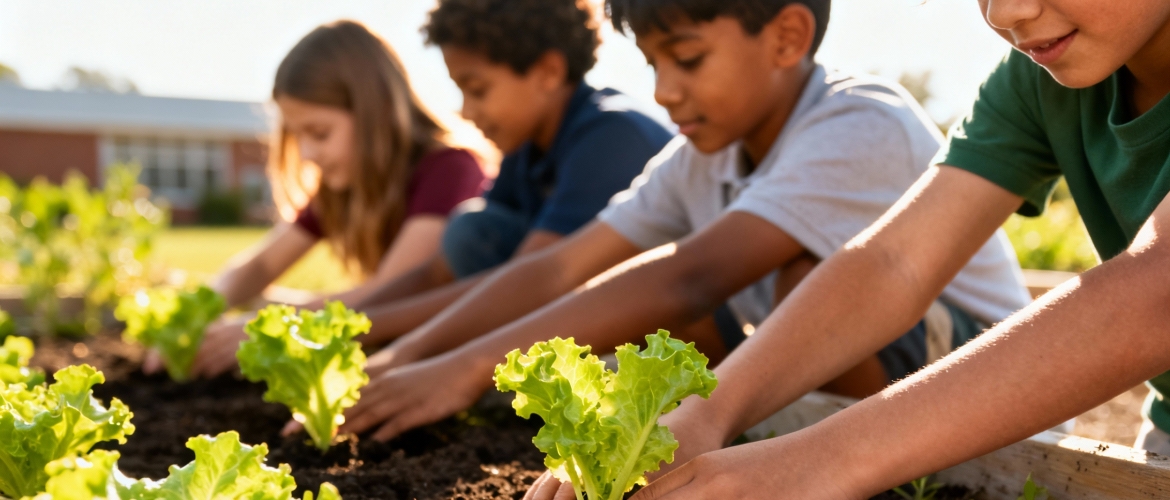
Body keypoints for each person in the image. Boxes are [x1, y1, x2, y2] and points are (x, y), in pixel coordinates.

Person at [328, 0, 1032, 459]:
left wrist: (470, 369)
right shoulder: (702, 154)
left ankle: (814, 451)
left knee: (791, 279)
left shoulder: (858, 123)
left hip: (980, 385)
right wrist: (410, 355)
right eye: (653, 65)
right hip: (832, 382)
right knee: (649, 330)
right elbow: (564, 267)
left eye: (688, 59)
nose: (664, 91)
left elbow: (694, 277)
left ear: (787, 36)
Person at [607, 0, 1170, 499]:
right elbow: (894, 262)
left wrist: (816, 463)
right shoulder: (1035, 81)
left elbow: (1157, 293)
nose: (1004, 12)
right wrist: (706, 415)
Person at [330, 0, 675, 348]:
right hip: (558, 298)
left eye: (477, 89)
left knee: (473, 235)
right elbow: (439, 272)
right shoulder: (525, 150)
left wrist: (389, 334)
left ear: (548, 72)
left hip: (660, 316)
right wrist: (345, 321)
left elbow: (531, 281)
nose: (465, 111)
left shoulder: (611, 136)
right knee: (471, 229)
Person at [182, 21, 488, 378]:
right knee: (264, 299)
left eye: (320, 133)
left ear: (376, 111)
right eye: (298, 137)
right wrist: (190, 320)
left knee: (272, 307)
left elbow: (389, 294)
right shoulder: (343, 189)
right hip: (399, 337)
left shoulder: (450, 169)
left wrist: (271, 327)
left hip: (462, 347)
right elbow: (259, 266)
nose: (308, 152)